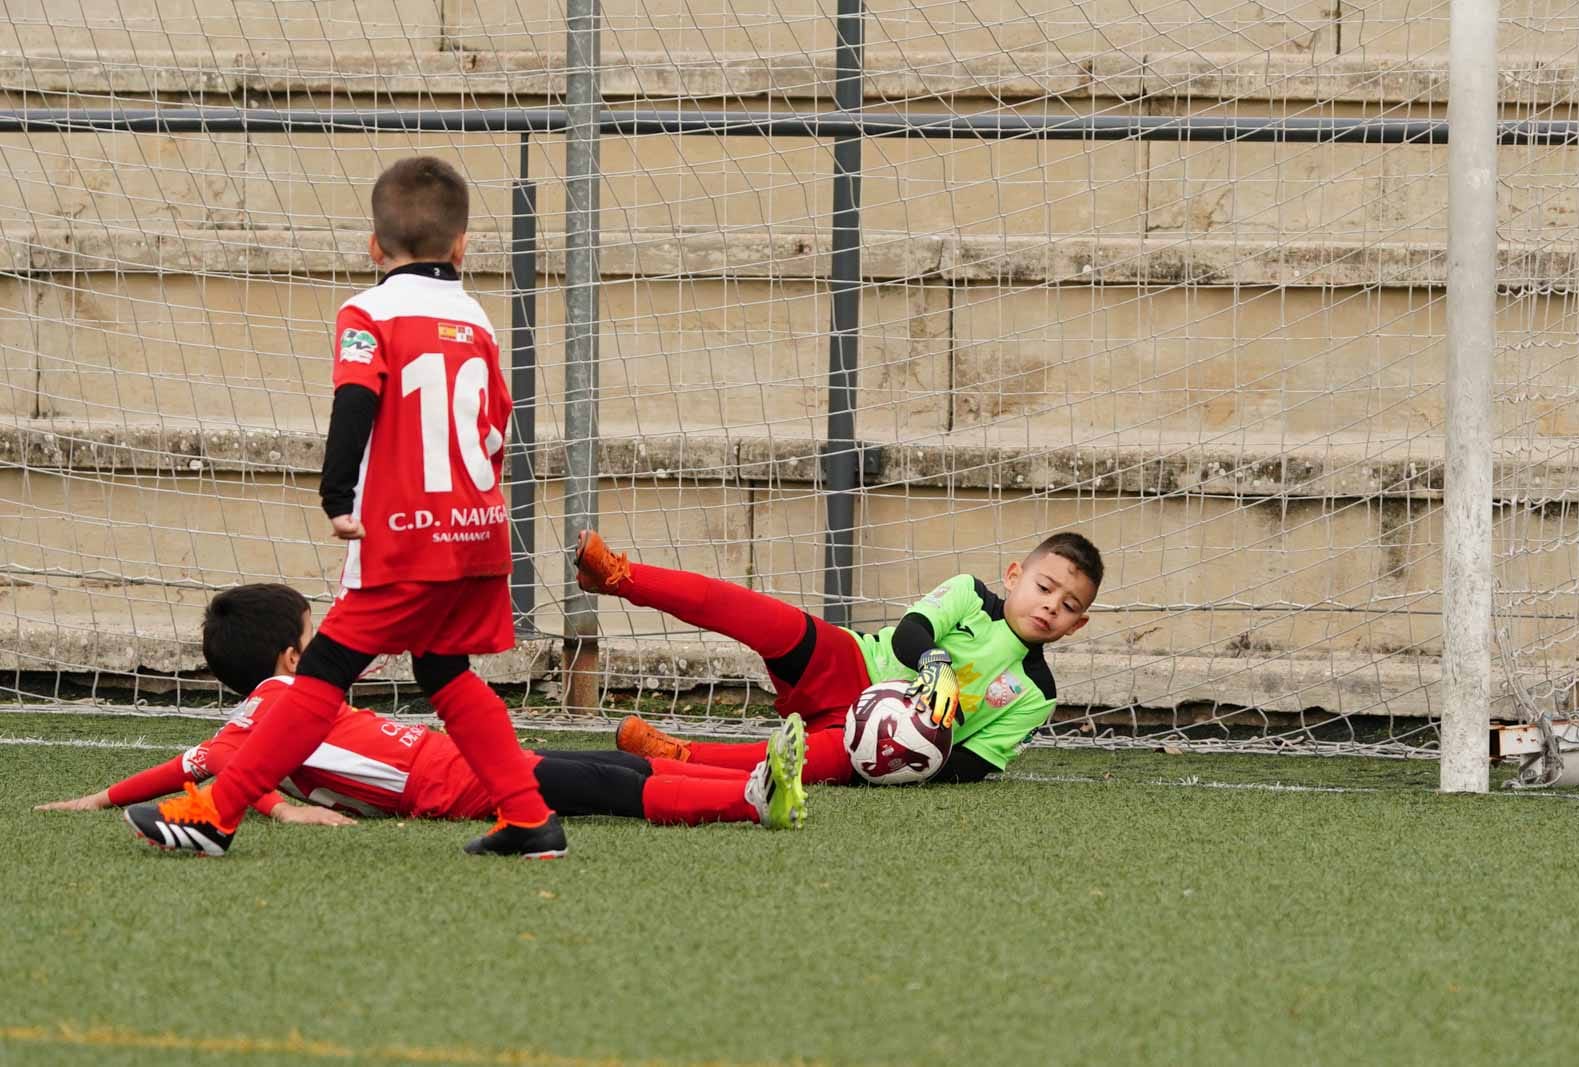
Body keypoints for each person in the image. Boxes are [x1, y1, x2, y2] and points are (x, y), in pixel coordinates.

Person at [127, 156, 563, 857]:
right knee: (443, 669)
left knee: (322, 671)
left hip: (406, 537)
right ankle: (529, 817)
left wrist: (336, 494)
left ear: (373, 245)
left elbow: (355, 396)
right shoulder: (477, 318)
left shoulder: (368, 310)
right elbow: (497, 420)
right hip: (478, 531)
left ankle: (217, 814)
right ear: (462, 246)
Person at [45, 584, 806, 835]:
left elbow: (194, 764)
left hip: (441, 767)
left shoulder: (264, 710)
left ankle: (751, 777)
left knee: (609, 768)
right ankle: (749, 800)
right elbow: (216, 766)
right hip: (440, 781)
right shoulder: (278, 702)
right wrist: (285, 811)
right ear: (285, 659)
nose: (321, 650)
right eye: (311, 640)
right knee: (603, 786)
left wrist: (96, 796)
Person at [576, 528, 1103, 785]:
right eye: (1044, 587)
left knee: (791, 765)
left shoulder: (1037, 694)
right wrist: (934, 664)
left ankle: (678, 757)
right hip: (852, 664)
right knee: (758, 615)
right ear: (1014, 576)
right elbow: (910, 635)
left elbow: (978, 762)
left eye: (1068, 605)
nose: (1050, 605)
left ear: (1077, 625)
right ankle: (621, 576)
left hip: (872, 745)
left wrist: (912, 754)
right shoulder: (968, 592)